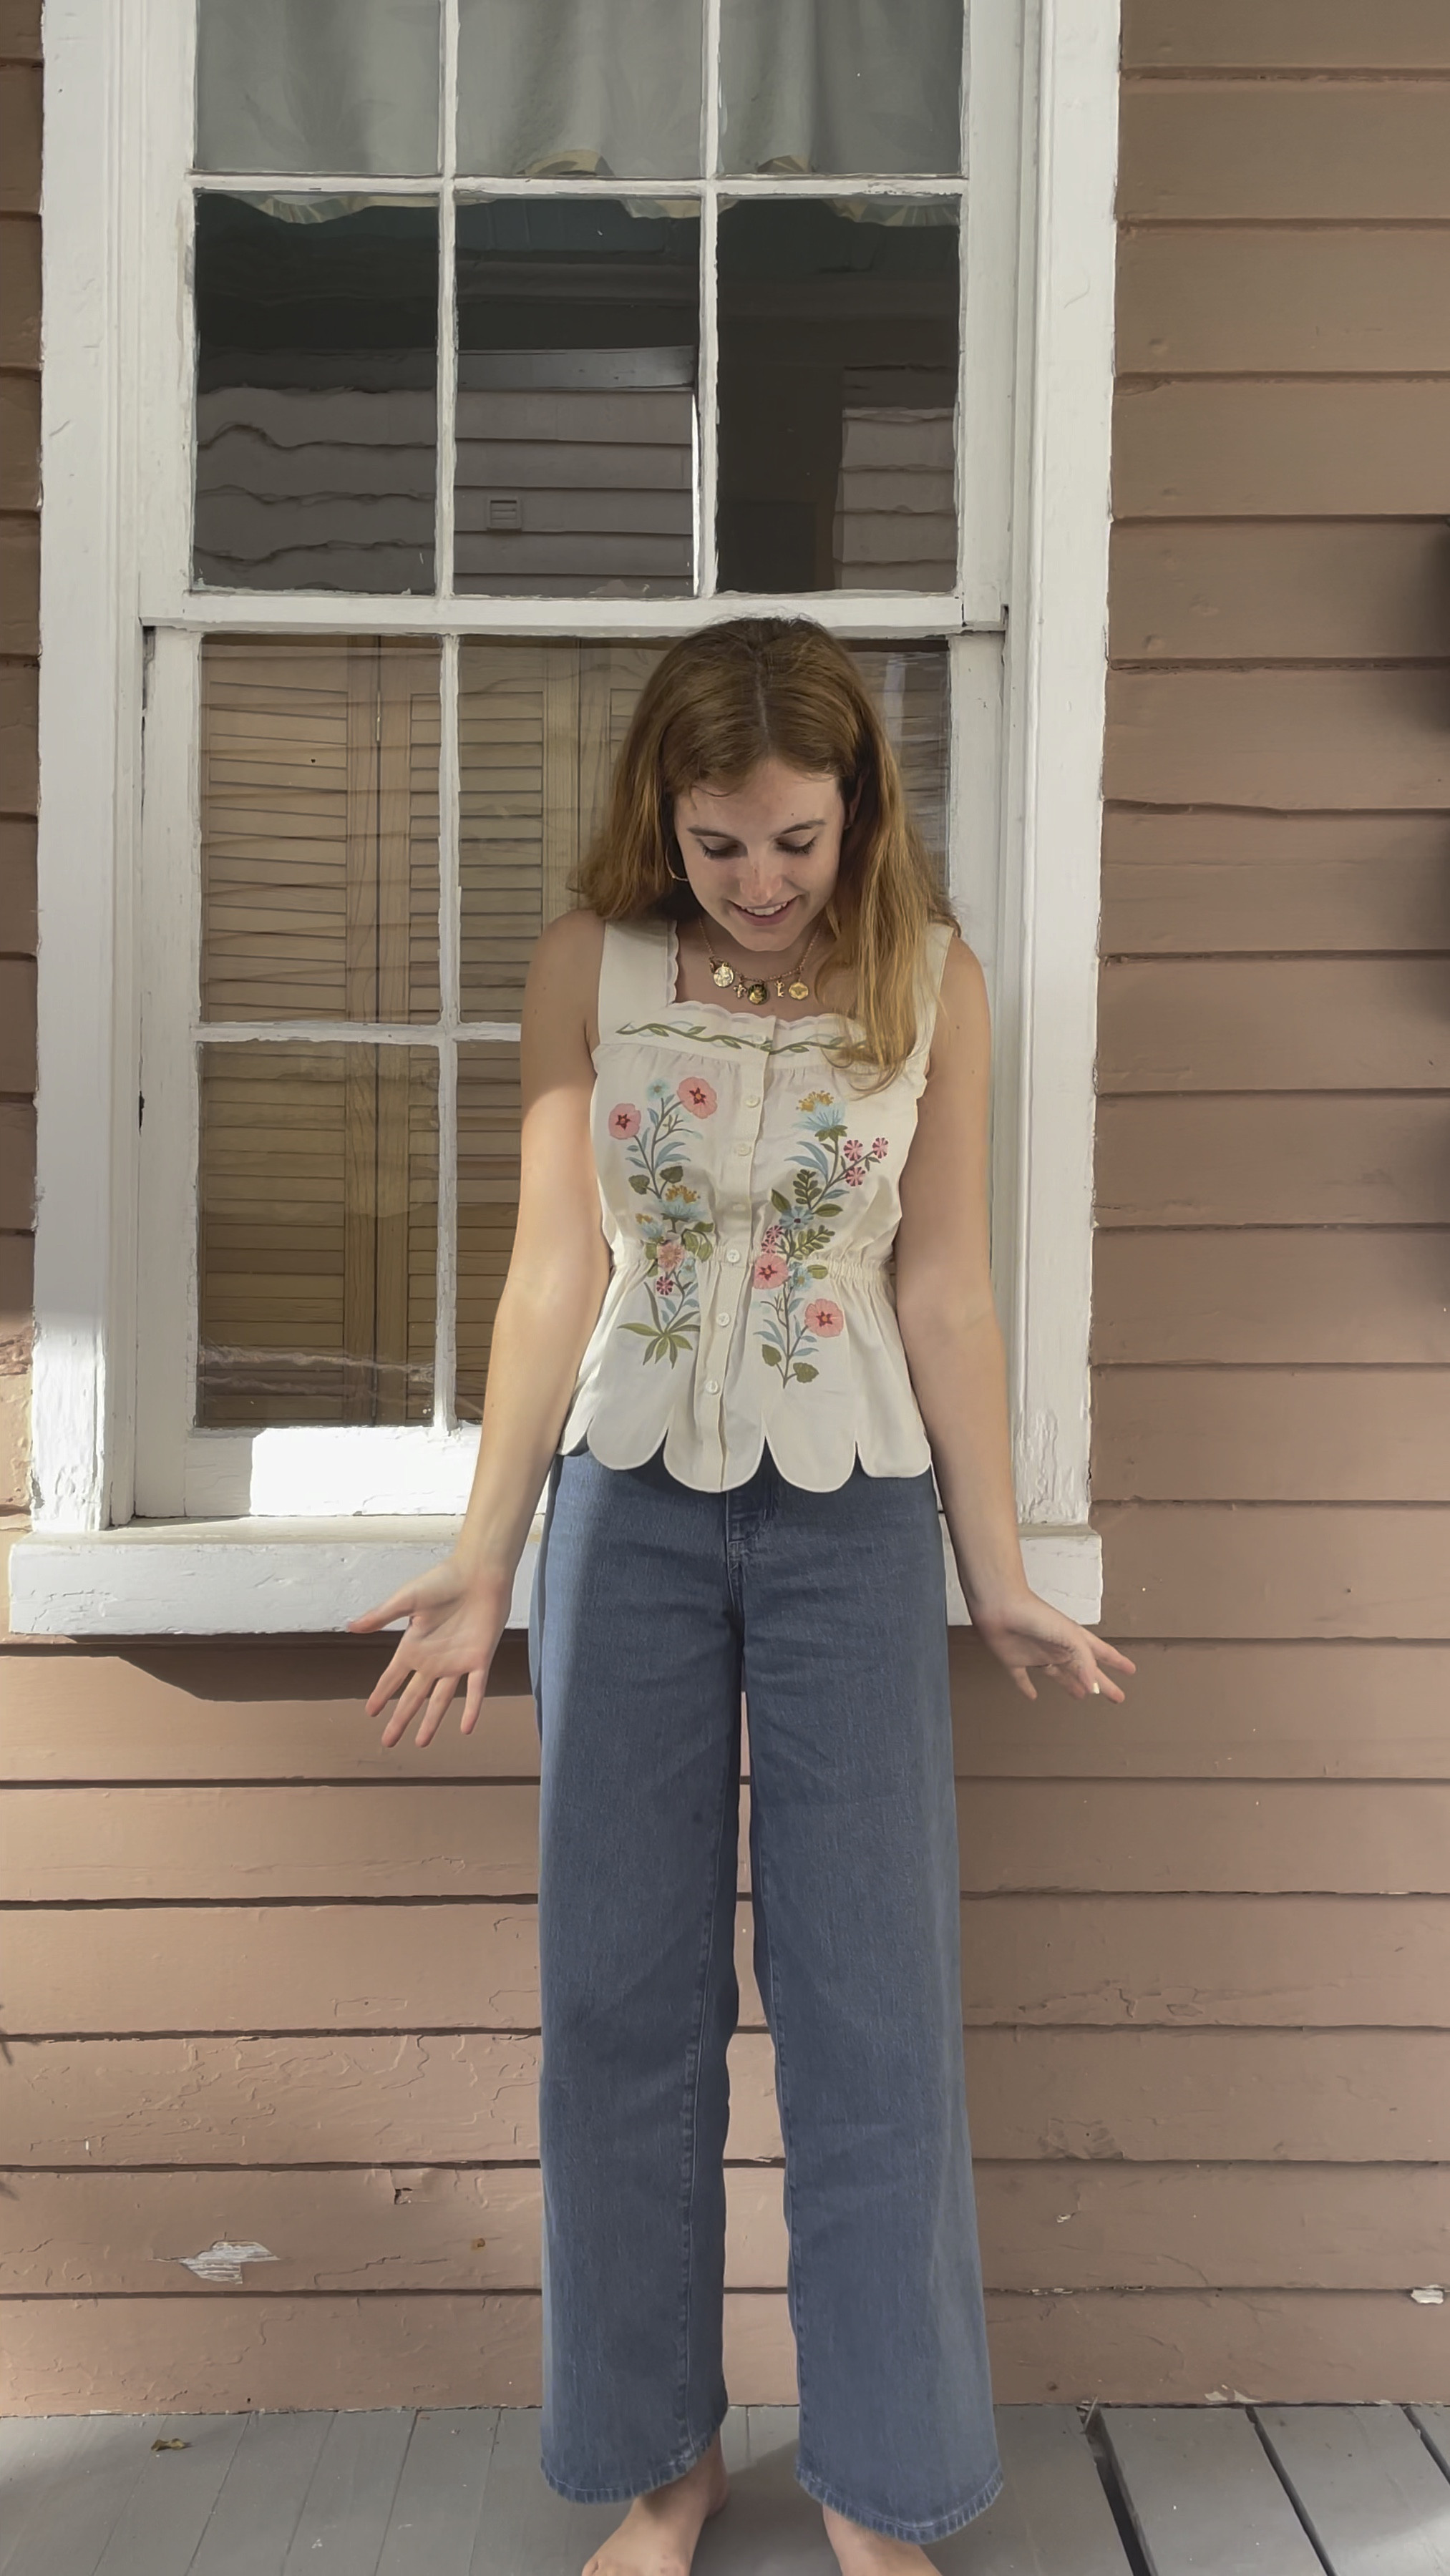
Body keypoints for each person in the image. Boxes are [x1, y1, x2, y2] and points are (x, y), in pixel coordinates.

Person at [351, 617, 1134, 2576]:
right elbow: (551, 1275)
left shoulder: (930, 982)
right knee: (616, 1999)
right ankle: (659, 2462)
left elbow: (940, 1285)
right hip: (625, 1513)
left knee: (870, 2006)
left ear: (859, 809)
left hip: (854, 1524)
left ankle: (884, 2480)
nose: (762, 883)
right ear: (665, 822)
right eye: (720, 846)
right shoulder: (584, 973)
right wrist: (479, 1556)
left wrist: (999, 1571)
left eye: (795, 839)